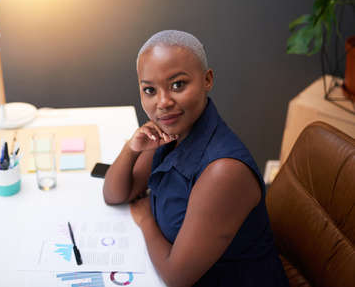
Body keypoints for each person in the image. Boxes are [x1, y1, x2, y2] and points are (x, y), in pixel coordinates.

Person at [102, 30, 290, 287]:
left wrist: (146, 220)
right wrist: (131, 149)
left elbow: (176, 277)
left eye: (178, 84)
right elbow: (115, 195)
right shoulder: (170, 130)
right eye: (150, 90)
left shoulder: (224, 172)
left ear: (207, 79)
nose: (163, 102)